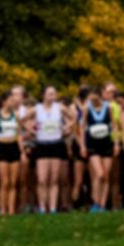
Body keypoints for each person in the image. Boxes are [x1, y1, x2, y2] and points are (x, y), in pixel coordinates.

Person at [31, 85, 70, 213]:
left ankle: (52, 207)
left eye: (54, 93)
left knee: (54, 179)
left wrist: (66, 128)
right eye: (50, 94)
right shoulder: (37, 109)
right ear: (43, 95)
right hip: (42, 144)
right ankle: (42, 207)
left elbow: (73, 117)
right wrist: (32, 130)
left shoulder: (59, 107)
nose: (53, 96)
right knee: (42, 179)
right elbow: (22, 120)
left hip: (56, 143)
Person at [81, 84, 117, 211]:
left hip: (106, 142)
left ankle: (102, 204)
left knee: (106, 175)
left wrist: (116, 142)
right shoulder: (87, 108)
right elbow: (82, 127)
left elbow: (113, 125)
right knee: (99, 174)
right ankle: (95, 202)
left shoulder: (108, 108)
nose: (93, 98)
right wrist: (82, 145)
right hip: (93, 144)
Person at [0, 88, 25, 215]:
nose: (14, 101)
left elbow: (19, 134)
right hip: (2, 147)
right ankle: (3, 209)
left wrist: (21, 151)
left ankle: (11, 210)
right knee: (4, 182)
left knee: (13, 182)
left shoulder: (16, 116)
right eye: (11, 100)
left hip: (13, 147)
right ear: (5, 102)